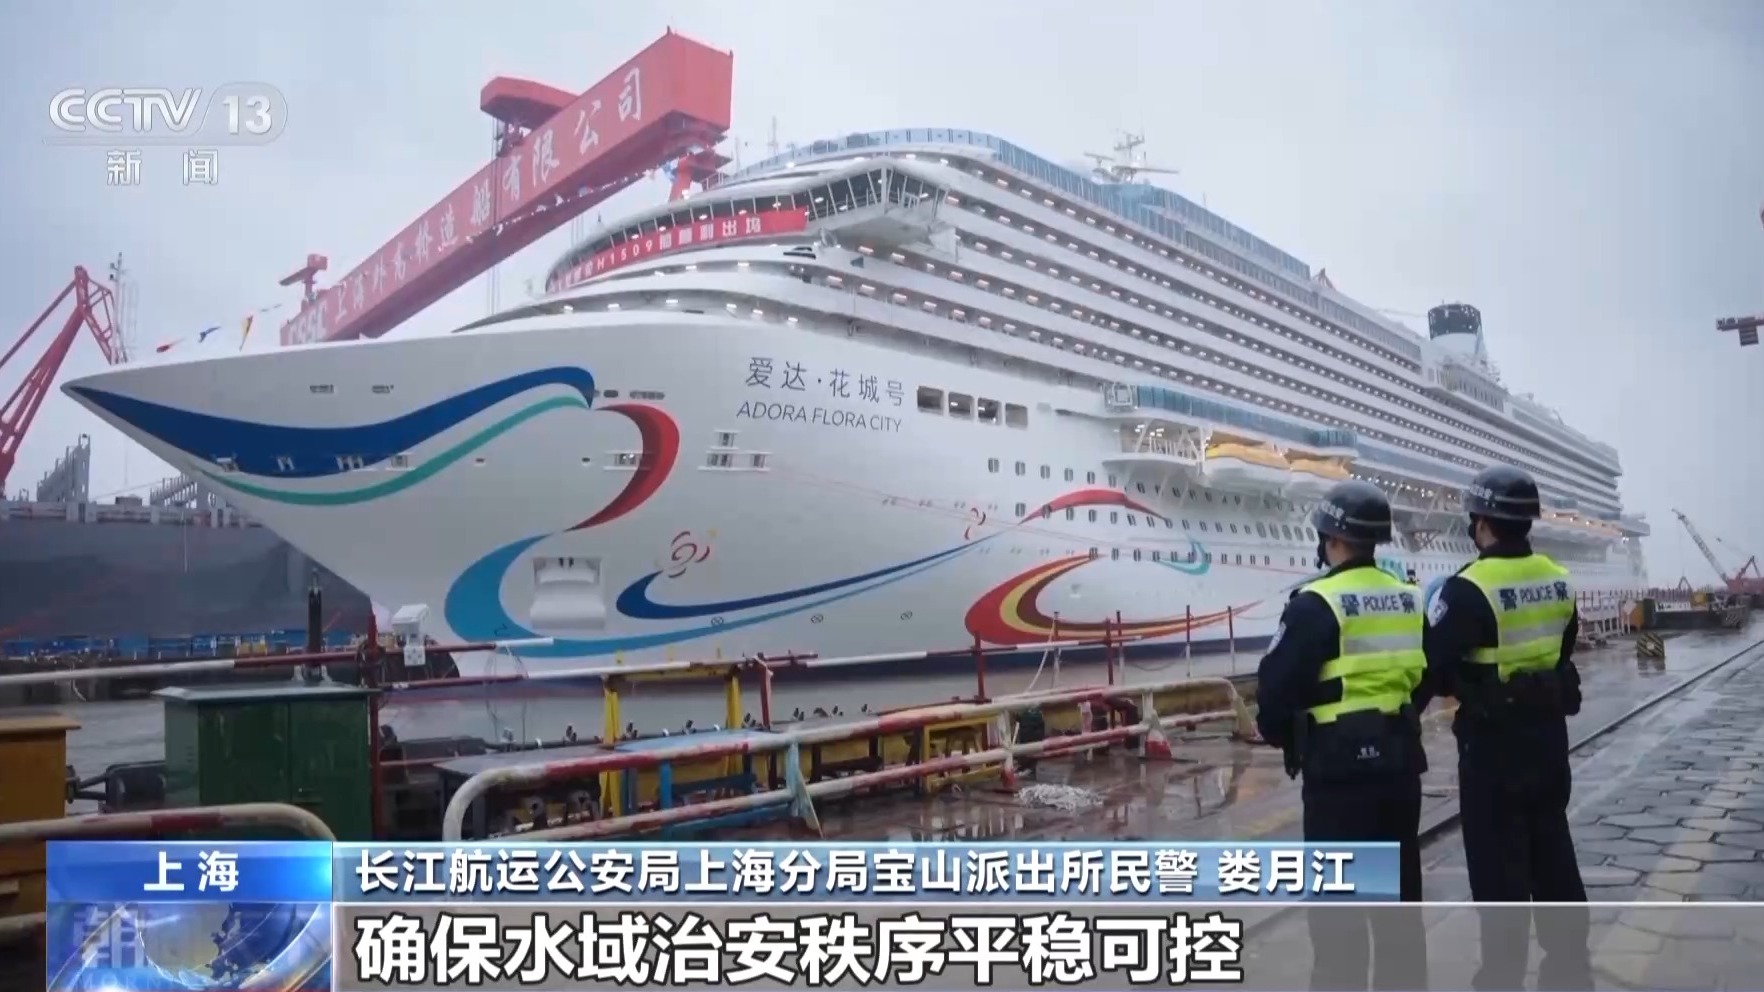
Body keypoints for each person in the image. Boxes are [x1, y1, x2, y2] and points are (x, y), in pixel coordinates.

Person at [1422, 464, 1590, 991]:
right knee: (1553, 852)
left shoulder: (1469, 589)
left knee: (1499, 875)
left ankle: (1501, 977)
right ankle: (1570, 971)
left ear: (1481, 523)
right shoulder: (1558, 580)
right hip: (1548, 741)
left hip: (1493, 749)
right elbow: (1561, 653)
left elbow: (1432, 666)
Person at [1257, 479, 1430, 990]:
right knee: (1400, 908)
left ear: (1330, 538)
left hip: (1337, 774)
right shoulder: (1409, 599)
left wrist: (1288, 737)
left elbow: (1275, 690)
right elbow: (1424, 676)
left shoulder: (1315, 603)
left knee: (1338, 920)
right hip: (1400, 764)